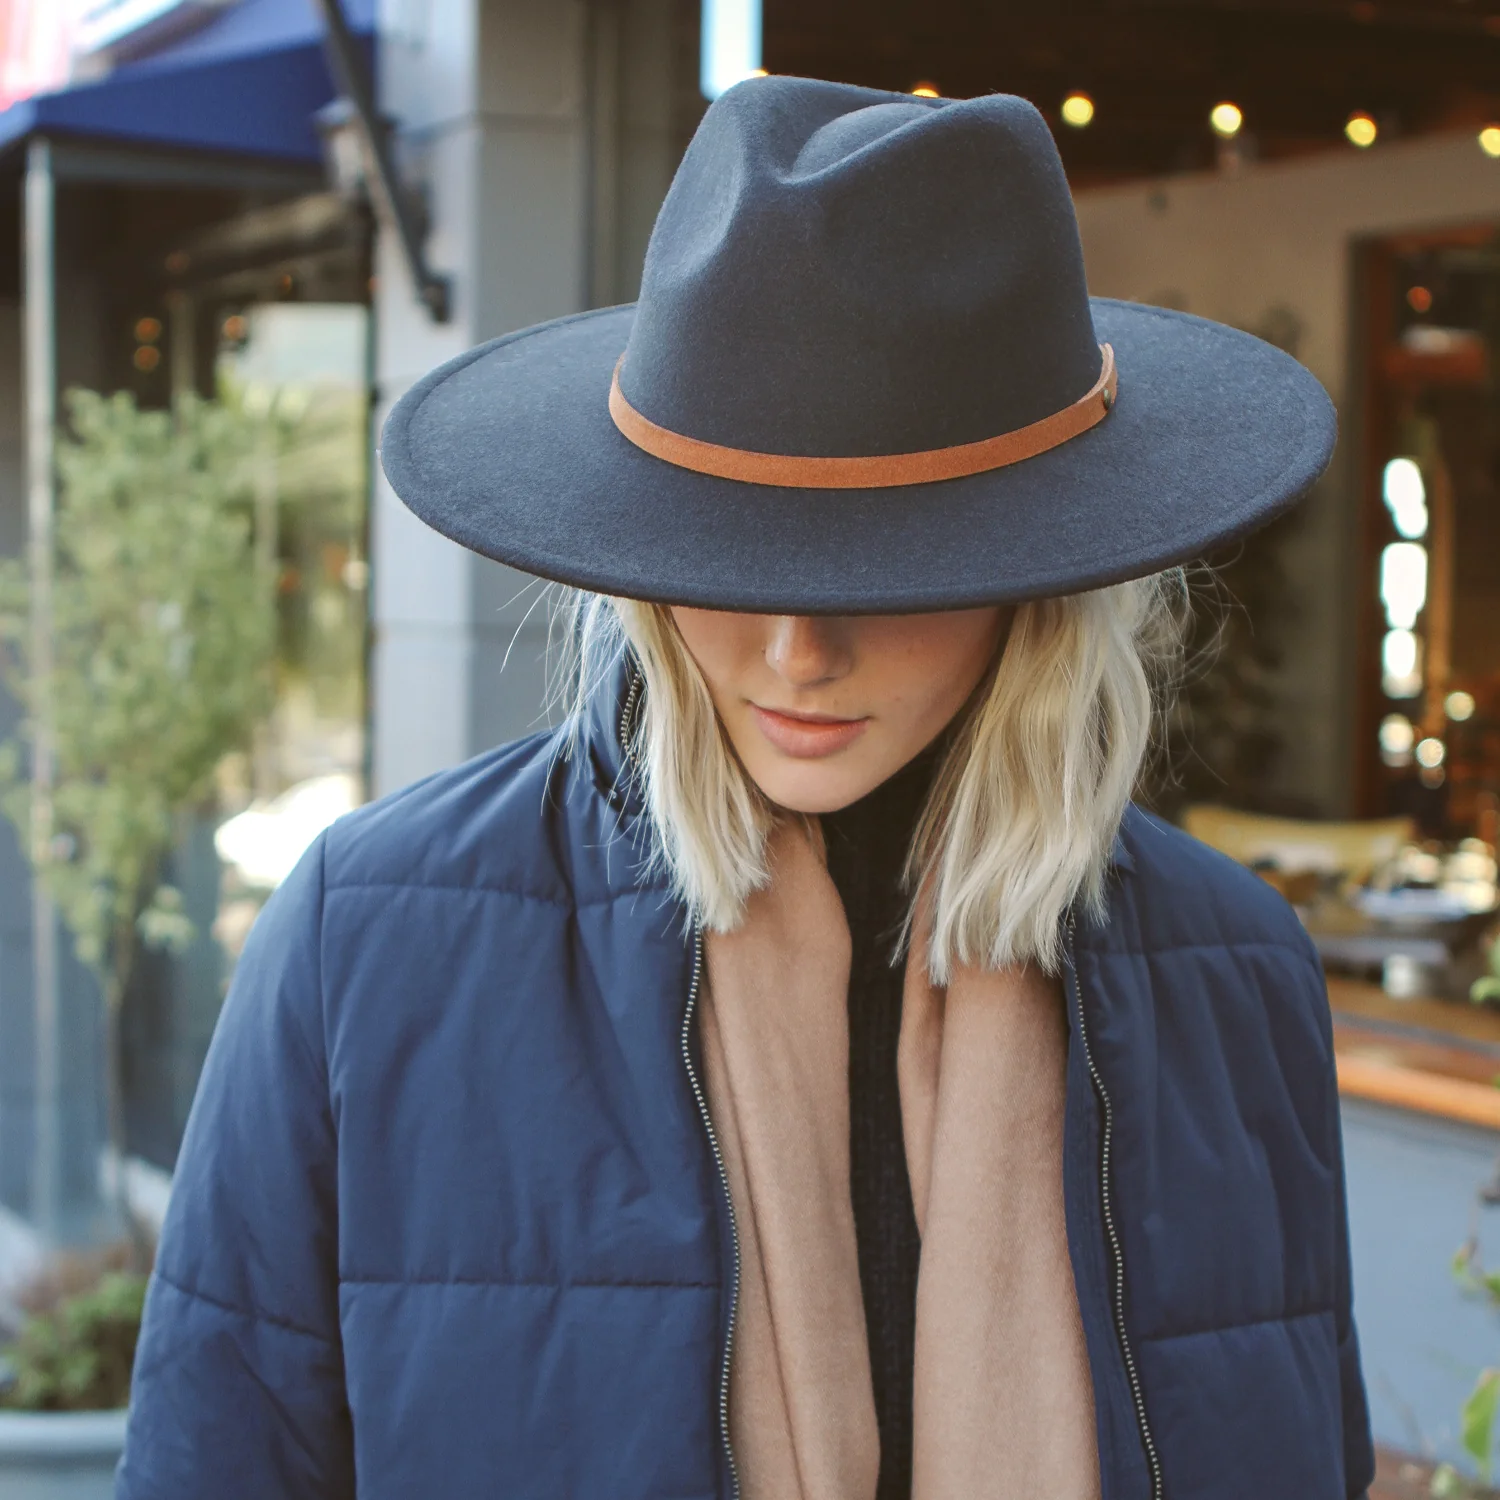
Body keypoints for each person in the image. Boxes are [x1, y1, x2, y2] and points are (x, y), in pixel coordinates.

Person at [116, 76, 1374, 1500]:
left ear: (1045, 577)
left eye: (888, 571)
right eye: (727, 557)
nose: (795, 651)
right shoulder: (372, 940)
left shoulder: (1235, 974)